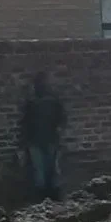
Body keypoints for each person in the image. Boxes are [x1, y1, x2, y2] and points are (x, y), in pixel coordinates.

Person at [19, 71, 67, 200]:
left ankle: (44, 198)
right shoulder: (53, 101)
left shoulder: (32, 102)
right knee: (51, 170)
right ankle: (54, 197)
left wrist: (24, 143)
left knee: (41, 171)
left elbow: (25, 124)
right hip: (47, 139)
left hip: (38, 140)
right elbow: (61, 120)